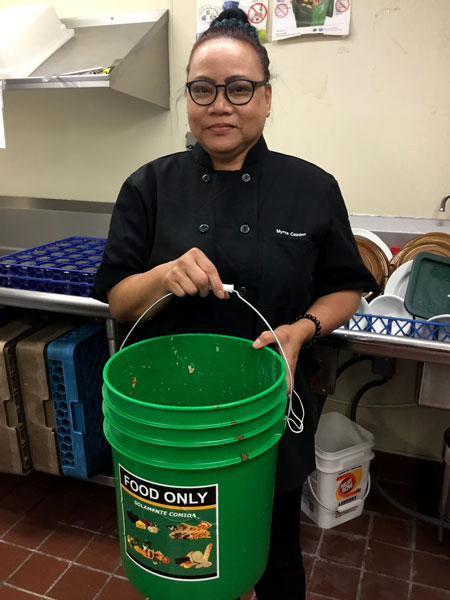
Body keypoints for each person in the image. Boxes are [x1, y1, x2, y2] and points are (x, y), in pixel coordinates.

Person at [94, 8, 378, 599]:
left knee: (273, 559)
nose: (220, 104)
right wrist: (164, 276)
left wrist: (303, 328)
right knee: (177, 558)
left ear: (267, 98)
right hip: (170, 425)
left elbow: (346, 286)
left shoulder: (312, 188)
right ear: (188, 98)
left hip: (267, 413)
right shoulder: (147, 187)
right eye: (203, 89)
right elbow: (120, 301)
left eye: (240, 88)